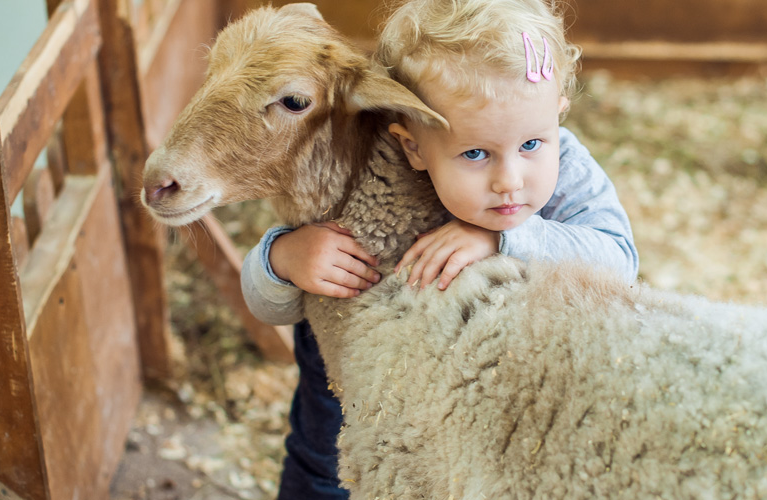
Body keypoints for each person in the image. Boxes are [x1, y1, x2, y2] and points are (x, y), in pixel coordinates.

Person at [240, 0, 638, 497]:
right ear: (412, 146)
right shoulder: (364, 177)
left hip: (487, 381)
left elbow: (619, 261)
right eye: (475, 153)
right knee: (322, 466)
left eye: (534, 144)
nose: (510, 182)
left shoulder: (569, 172)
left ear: (558, 110)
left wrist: (503, 237)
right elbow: (264, 305)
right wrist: (282, 260)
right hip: (353, 379)